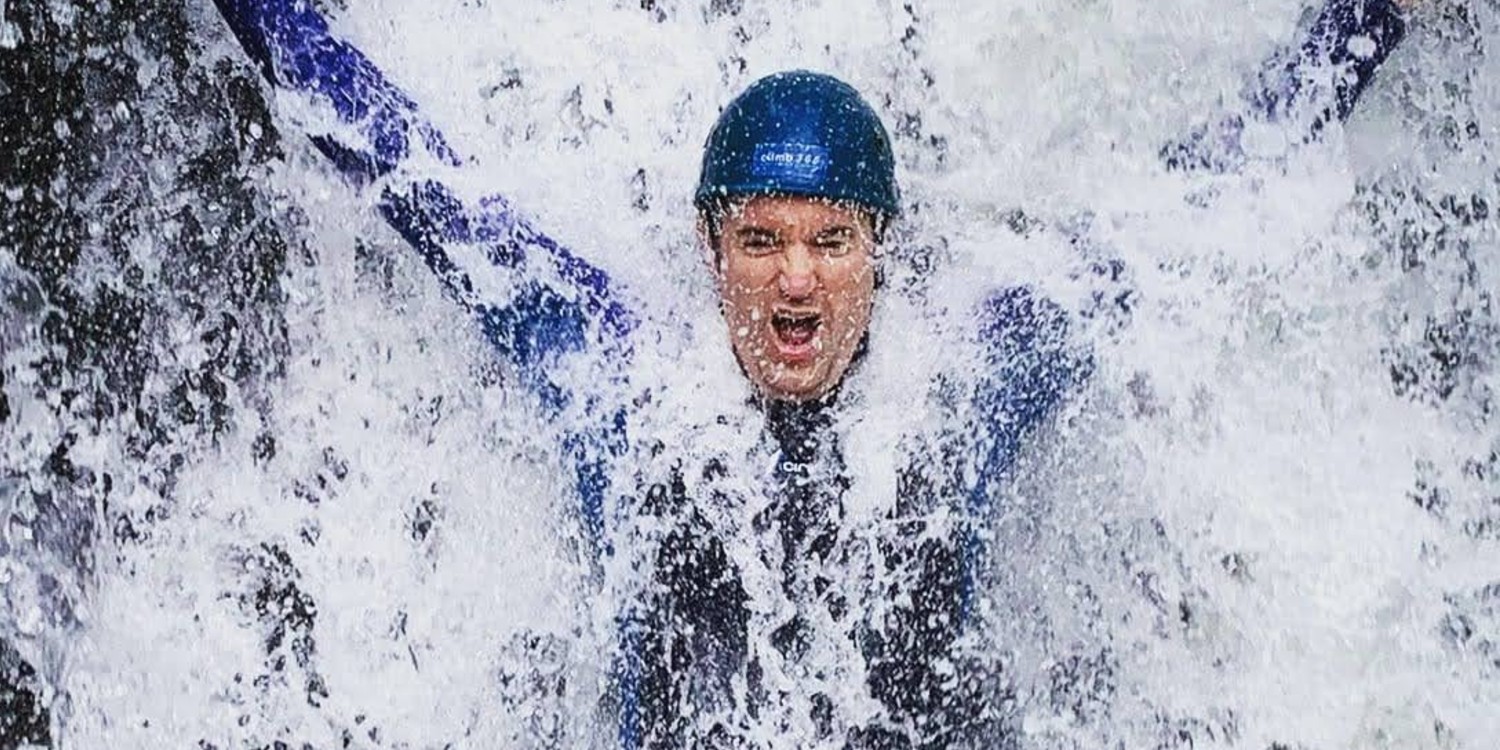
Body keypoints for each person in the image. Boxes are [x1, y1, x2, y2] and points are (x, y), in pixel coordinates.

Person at [210, 0, 1420, 747]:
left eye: (831, 241)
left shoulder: (970, 381)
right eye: (762, 241)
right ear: (710, 246)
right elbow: (395, 161)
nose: (796, 283)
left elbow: (1190, 207)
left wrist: (1365, 17)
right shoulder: (622, 385)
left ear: (878, 250)